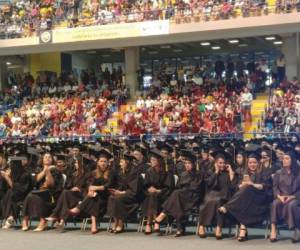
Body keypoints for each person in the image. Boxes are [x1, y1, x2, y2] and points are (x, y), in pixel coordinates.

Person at [218, 153, 273, 241]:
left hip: (260, 199)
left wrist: (253, 185)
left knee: (248, 188)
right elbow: (237, 187)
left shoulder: (265, 172)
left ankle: (227, 206)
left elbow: (266, 187)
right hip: (247, 199)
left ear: (258, 163)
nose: (252, 165)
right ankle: (243, 228)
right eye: (250, 163)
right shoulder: (245, 173)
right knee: (244, 191)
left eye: (254, 162)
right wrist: (241, 185)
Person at [154, 150, 205, 237]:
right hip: (182, 197)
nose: (187, 165)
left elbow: (196, 188)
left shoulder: (199, 174)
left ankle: (162, 215)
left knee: (176, 194)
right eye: (185, 163)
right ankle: (179, 229)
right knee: (177, 198)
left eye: (189, 163)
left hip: (193, 197)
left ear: (194, 164)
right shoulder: (183, 174)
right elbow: (178, 186)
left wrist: (184, 189)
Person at [68, 149, 113, 234]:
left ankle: (78, 208)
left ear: (108, 163)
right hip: (96, 197)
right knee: (94, 197)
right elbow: (90, 184)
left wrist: (95, 188)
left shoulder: (111, 173)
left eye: (105, 161)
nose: (103, 163)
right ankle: (94, 224)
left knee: (94, 197)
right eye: (101, 161)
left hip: (107, 198)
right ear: (98, 162)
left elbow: (108, 186)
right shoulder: (94, 173)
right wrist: (90, 190)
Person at [198, 152, 236, 239]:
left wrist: (230, 172)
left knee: (219, 201)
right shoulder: (210, 172)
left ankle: (218, 227)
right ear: (216, 163)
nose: (222, 165)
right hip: (211, 194)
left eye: (223, 163)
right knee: (209, 201)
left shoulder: (228, 172)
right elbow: (209, 184)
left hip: (225, 196)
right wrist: (216, 172)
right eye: (220, 163)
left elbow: (233, 187)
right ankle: (203, 226)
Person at [21, 153, 63, 232]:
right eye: (45, 157)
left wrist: (48, 172)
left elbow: (52, 184)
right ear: (42, 160)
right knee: (30, 195)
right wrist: (45, 170)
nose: (47, 158)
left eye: (49, 157)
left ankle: (43, 221)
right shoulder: (38, 169)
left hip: (51, 194)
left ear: (52, 160)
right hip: (38, 191)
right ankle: (25, 219)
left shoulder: (56, 170)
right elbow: (35, 181)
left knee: (40, 196)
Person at [45, 158, 91, 230]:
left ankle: (55, 215)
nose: (76, 164)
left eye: (78, 163)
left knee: (65, 193)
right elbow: (68, 186)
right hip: (72, 196)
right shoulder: (73, 174)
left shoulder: (88, 175)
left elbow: (89, 188)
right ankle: (62, 222)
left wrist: (80, 189)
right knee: (65, 193)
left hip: (82, 198)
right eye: (75, 163)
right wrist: (72, 189)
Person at [107, 153, 143, 233]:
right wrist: (116, 191)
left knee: (118, 198)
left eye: (121, 162)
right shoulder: (121, 172)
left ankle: (120, 223)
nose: (120, 164)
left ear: (127, 162)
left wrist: (122, 192)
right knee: (111, 197)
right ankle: (115, 221)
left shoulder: (135, 172)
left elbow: (134, 190)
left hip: (133, 197)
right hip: (123, 195)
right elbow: (119, 185)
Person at [141, 149, 175, 235]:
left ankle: (149, 223)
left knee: (152, 196)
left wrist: (159, 190)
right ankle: (155, 222)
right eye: (151, 160)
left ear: (159, 161)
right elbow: (145, 185)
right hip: (151, 195)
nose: (151, 161)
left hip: (163, 196)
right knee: (151, 195)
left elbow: (169, 188)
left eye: (153, 160)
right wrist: (149, 188)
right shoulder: (149, 171)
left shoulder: (167, 171)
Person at [270, 149, 300, 243]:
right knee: (274, 204)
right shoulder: (278, 173)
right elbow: (275, 188)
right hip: (282, 196)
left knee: (292, 205)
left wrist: (293, 196)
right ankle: (273, 230)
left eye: (287, 159)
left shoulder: (298, 173)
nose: (284, 160)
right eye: (283, 159)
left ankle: (297, 230)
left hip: (296, 197)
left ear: (292, 160)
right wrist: (279, 196)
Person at [1, 157, 33, 229]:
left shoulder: (25, 174)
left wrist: (7, 177)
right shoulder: (13, 173)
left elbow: (19, 190)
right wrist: (4, 177)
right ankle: (10, 217)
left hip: (24, 195)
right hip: (12, 196)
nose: (12, 167)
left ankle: (10, 217)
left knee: (11, 193)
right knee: (9, 193)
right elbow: (3, 188)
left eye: (13, 165)